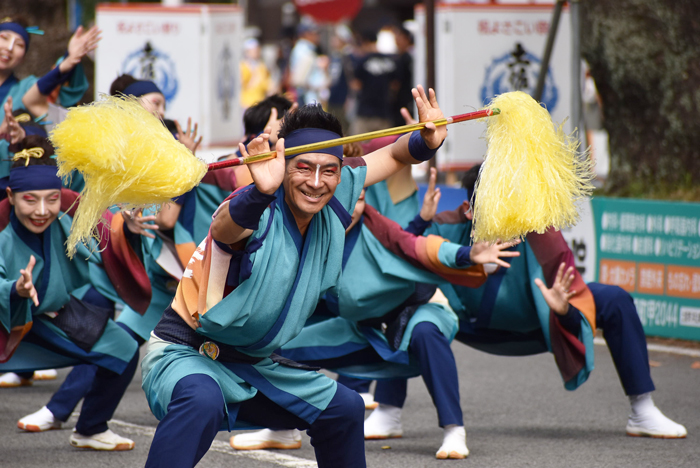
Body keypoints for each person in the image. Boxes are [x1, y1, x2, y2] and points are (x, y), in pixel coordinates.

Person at [140, 85, 447, 468]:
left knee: (344, 408)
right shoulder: (255, 207)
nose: (316, 182)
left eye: (328, 171)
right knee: (201, 401)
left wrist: (427, 138)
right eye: (303, 167)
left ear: (340, 174)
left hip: (255, 364)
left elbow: (396, 155)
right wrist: (257, 193)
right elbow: (224, 228)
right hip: (188, 353)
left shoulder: (339, 192)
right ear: (284, 165)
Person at [372, 163, 687, 441]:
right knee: (400, 297)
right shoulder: (444, 227)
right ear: (469, 209)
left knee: (615, 299)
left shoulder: (541, 235)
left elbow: (569, 297)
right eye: (491, 205)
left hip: (540, 322)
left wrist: (564, 311)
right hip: (465, 324)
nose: (503, 214)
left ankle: (642, 409)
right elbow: (398, 258)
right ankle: (387, 411)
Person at [230, 168, 520, 459]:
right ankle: (283, 428)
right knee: (281, 349)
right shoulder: (309, 235)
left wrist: (467, 255)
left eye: (360, 199)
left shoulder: (376, 228)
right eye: (346, 199)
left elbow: (417, 246)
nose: (352, 207)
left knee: (426, 332)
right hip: (363, 329)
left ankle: (454, 430)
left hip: (418, 311)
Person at [0, 135, 154, 450]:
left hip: (53, 311)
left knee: (123, 349)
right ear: (12, 195)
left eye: (51, 198)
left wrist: (128, 230)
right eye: (30, 199)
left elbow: (110, 234)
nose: (42, 210)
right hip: (6, 313)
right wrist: (14, 289)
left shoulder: (70, 208)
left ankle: (91, 428)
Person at [0, 16, 98, 180]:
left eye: (19, 45)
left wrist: (69, 59)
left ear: (24, 56)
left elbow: (48, 86)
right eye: (4, 38)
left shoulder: (26, 87)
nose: (9, 48)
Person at [351, 29, 398, 134]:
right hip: (385, 111)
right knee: (384, 148)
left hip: (365, 112)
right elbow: (395, 85)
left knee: (361, 148)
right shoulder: (390, 61)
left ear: (365, 42)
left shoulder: (362, 62)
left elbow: (356, 85)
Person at [240, 38, 271, 109]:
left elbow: (267, 84)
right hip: (247, 103)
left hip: (260, 102)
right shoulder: (243, 66)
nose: (256, 52)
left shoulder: (262, 66)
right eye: (254, 50)